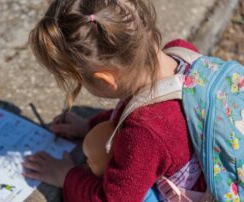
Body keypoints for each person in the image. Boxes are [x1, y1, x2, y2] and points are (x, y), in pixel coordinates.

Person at [22, 0, 206, 201]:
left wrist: (65, 176)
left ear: (106, 81)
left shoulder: (144, 132)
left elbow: (113, 199)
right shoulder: (181, 52)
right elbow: (140, 104)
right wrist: (87, 125)